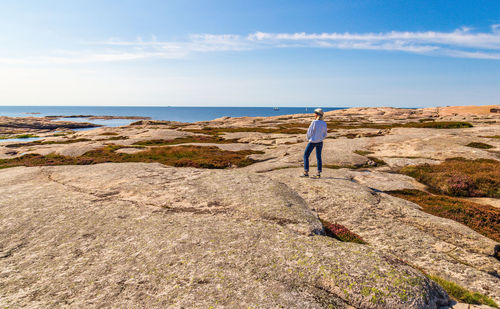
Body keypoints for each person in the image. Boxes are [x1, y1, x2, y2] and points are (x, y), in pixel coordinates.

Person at [301, 108, 327, 178]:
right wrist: (321, 138)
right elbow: (325, 134)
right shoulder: (324, 123)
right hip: (320, 142)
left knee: (306, 155)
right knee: (319, 157)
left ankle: (306, 172)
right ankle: (318, 173)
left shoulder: (314, 122)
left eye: (315, 113)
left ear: (317, 115)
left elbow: (309, 132)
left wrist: (309, 139)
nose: (314, 114)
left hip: (313, 141)